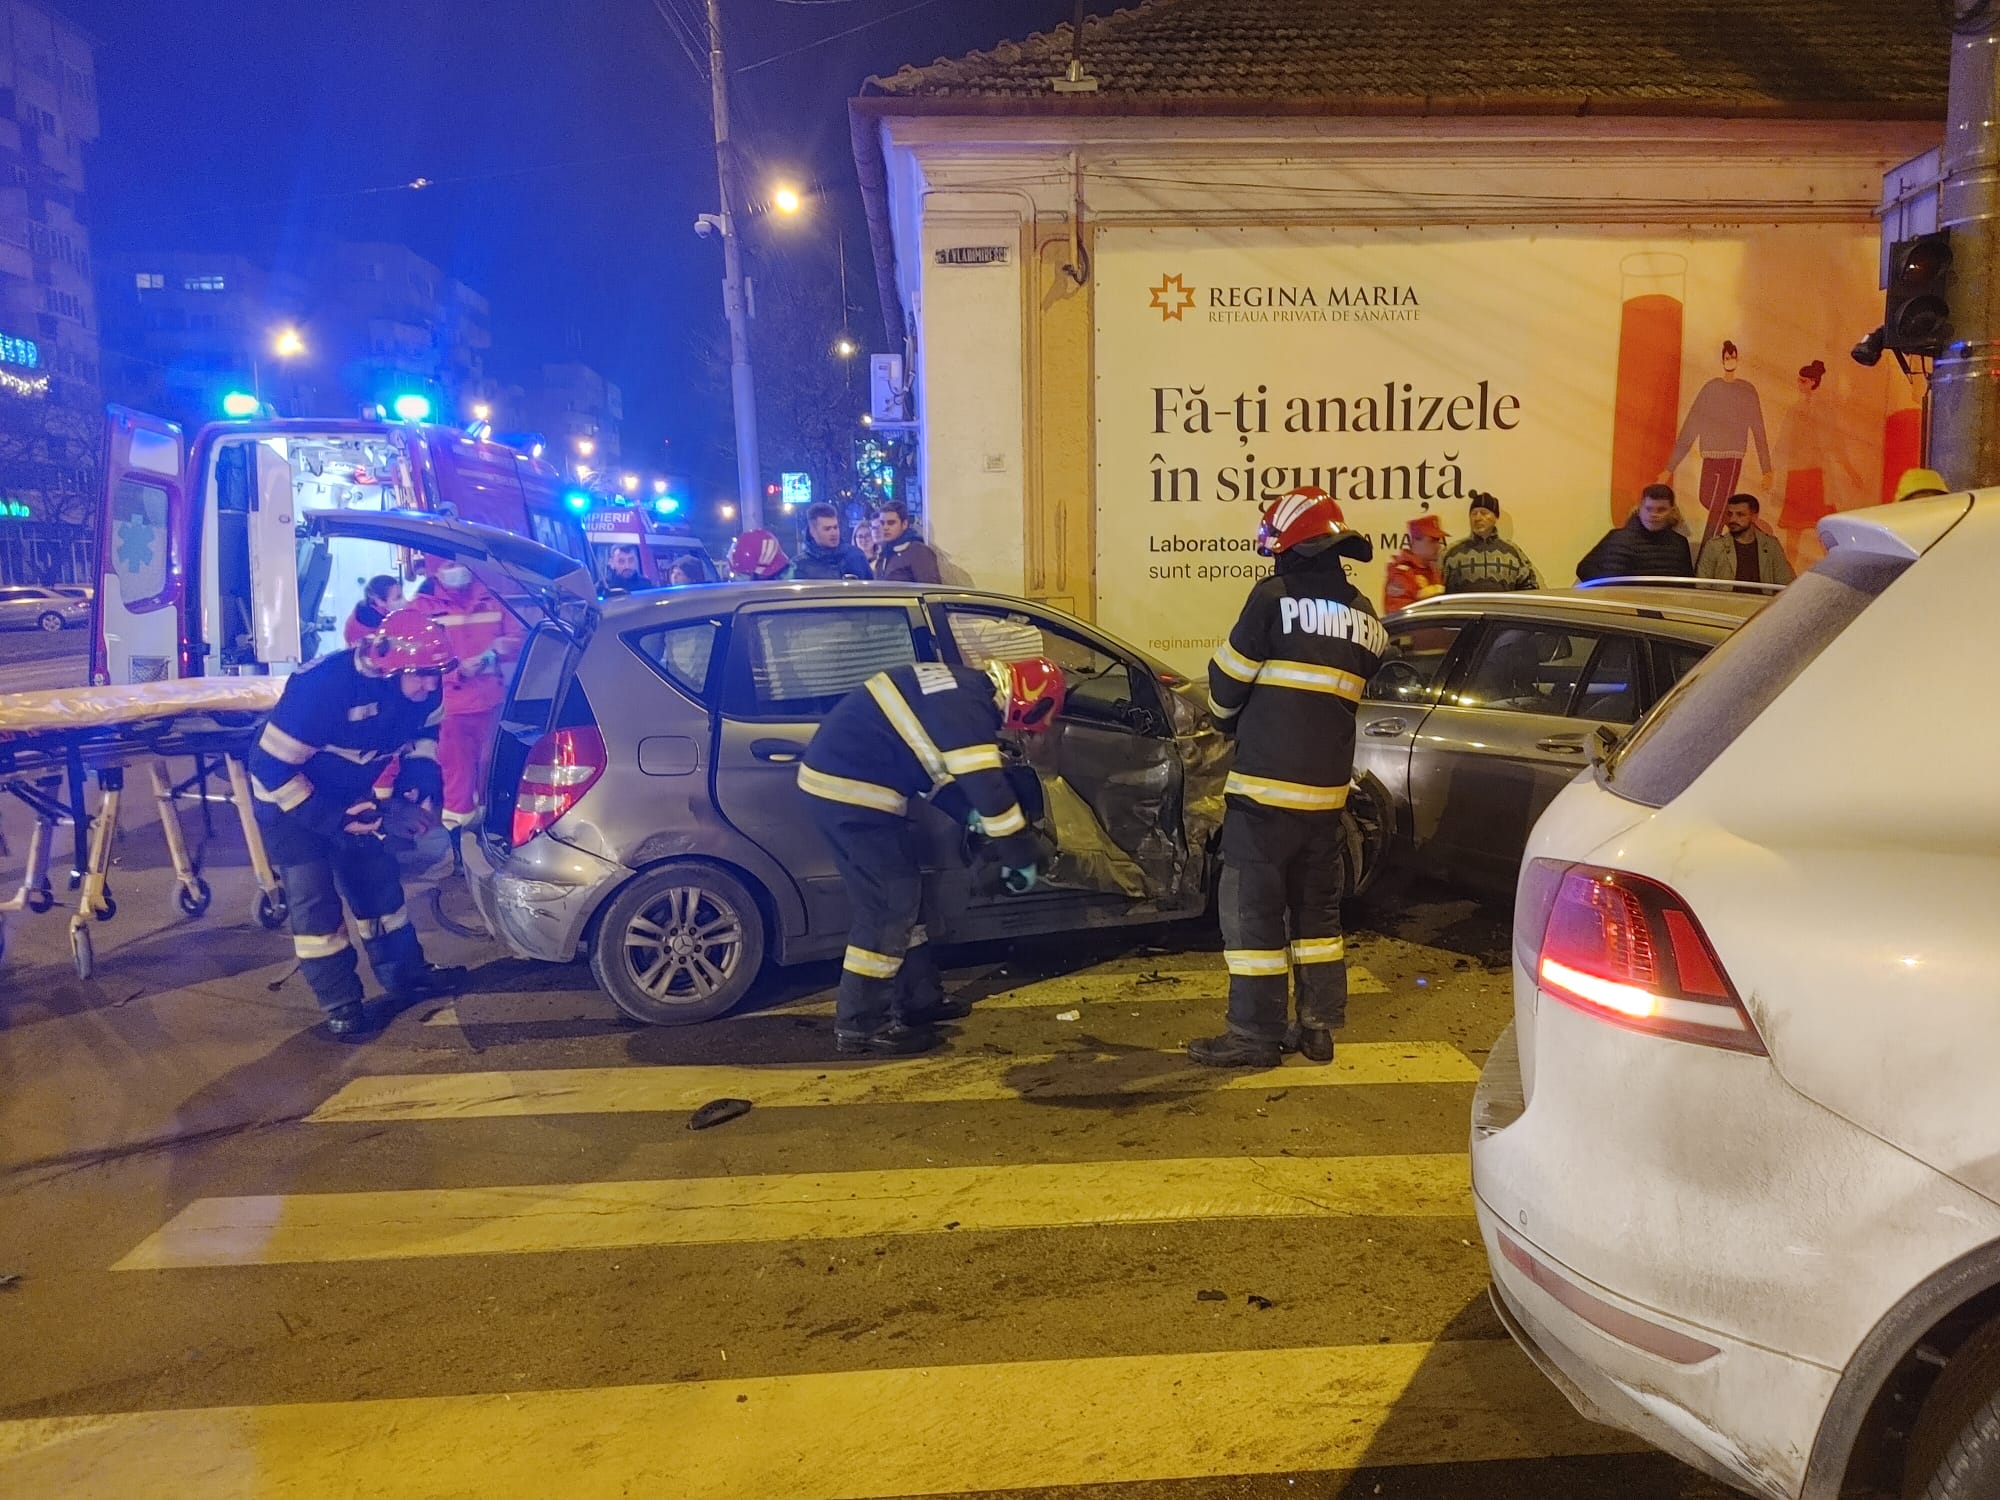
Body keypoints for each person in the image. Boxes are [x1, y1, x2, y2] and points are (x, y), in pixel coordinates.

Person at [1191, 486, 1386, 1071]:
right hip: (1327, 802)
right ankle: (1318, 1029)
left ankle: (1254, 1035)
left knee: (1252, 915)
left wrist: (1230, 719)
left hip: (1264, 796)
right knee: (1317, 919)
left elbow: (1225, 688)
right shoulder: (1365, 615)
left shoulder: (1272, 599)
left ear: (1292, 547)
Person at [800, 656, 1064, 1057]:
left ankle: (918, 999)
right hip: (851, 797)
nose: (1025, 732)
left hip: (852, 788)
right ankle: (861, 1024)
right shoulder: (969, 707)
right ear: (1033, 700)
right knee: (888, 907)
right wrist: (1019, 850)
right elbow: (988, 786)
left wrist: (969, 814)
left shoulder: (960, 689)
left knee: (905, 899)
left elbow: (928, 769)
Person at [247, 610, 467, 1038]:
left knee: (378, 887)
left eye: (437, 674)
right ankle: (341, 1004)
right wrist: (331, 821)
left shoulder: (422, 688)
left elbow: (425, 735)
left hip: (350, 794)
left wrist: (415, 784)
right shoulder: (323, 687)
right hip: (289, 803)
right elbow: (268, 765)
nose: (432, 685)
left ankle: (406, 976)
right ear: (388, 667)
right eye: (423, 675)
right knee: (315, 905)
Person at [404, 555, 521, 860]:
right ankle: (460, 852)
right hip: (450, 708)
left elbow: (519, 639)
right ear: (435, 570)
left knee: (493, 775)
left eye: (460, 564)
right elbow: (413, 661)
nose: (457, 571)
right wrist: (456, 671)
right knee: (458, 782)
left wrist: (497, 652)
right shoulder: (420, 608)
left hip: (492, 704)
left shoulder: (490, 597)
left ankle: (492, 842)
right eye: (448, 566)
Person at [1660, 339, 1774, 547]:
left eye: (1733, 357)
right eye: (1727, 357)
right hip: (1711, 454)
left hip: (1733, 456)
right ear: (1722, 360)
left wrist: (1766, 469)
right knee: (1707, 498)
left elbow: (1758, 429)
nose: (1730, 360)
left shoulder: (1747, 390)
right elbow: (1691, 426)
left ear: (1737, 359)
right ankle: (1748, 525)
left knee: (1720, 507)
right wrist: (1670, 468)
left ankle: (1707, 551)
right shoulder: (1711, 388)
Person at [1576, 484, 1695, 581]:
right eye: (1648, 509)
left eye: (1661, 509)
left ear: (1671, 511)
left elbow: (1687, 584)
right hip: (1619, 601)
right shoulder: (1615, 538)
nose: (1654, 514)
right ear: (1640, 508)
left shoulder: (1680, 543)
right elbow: (1583, 570)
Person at [1441, 493, 1541, 593]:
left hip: (1503, 604)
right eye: (1474, 513)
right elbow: (1439, 590)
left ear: (1496, 517)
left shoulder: (1512, 552)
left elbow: (1529, 589)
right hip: (1463, 604)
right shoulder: (1452, 553)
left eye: (1484, 513)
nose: (1477, 518)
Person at [1697, 494, 1795, 585]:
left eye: (1740, 514)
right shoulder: (1714, 546)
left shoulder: (1771, 545)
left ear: (1754, 517)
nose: (1732, 520)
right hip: (1726, 599)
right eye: (1730, 514)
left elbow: (1786, 583)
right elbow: (1702, 586)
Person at [1382, 514, 1446, 614]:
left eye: (1438, 541)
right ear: (1415, 541)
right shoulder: (1401, 574)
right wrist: (1421, 597)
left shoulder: (1432, 569)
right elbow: (1397, 615)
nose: (1438, 546)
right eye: (1433, 541)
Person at [793, 503, 873, 580]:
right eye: (827, 529)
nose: (834, 533)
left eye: (835, 527)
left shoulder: (856, 557)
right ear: (813, 531)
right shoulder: (799, 566)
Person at [873, 499, 942, 584]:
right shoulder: (883, 553)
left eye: (891, 523)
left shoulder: (918, 551)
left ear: (904, 524)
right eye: (882, 523)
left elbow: (930, 588)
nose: (885, 527)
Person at [342, 574, 403, 647]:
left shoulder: (369, 605)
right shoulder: (372, 618)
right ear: (380, 601)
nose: (404, 601)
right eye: (398, 598)